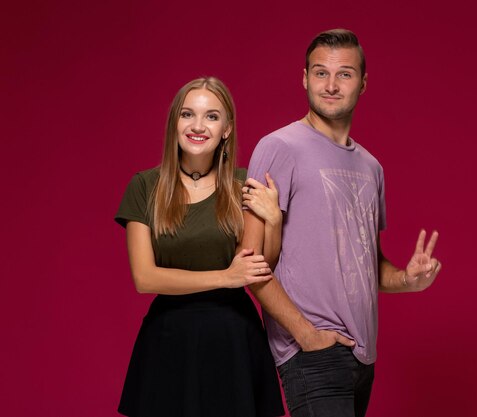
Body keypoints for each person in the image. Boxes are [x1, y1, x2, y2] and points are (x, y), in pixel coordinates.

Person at [242, 29, 442, 417]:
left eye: (344, 74)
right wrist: (305, 334)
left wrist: (408, 279)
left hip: (363, 356)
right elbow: (250, 262)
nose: (331, 85)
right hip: (312, 351)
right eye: (320, 73)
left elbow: (366, 264)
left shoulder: (371, 167)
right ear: (304, 78)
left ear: (363, 83)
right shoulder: (279, 147)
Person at [114, 77, 284, 417]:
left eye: (211, 116)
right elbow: (145, 278)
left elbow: (256, 268)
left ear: (227, 129)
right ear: (174, 123)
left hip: (234, 338)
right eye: (187, 114)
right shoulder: (145, 185)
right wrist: (224, 277)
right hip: (170, 338)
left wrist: (274, 223)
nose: (197, 126)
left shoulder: (243, 184)